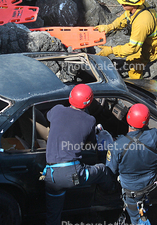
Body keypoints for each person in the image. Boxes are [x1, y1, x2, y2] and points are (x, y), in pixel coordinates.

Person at [42, 84, 114, 225]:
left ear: (70, 96)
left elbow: (49, 117)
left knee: (53, 216)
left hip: (51, 176)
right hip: (72, 174)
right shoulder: (90, 120)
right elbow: (92, 141)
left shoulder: (56, 110)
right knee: (102, 170)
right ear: (89, 102)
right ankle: (111, 192)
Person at [106, 103, 157, 225]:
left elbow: (110, 170)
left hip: (131, 190)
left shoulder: (117, 146)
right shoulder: (155, 135)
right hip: (152, 185)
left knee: (135, 217)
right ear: (146, 121)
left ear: (128, 118)